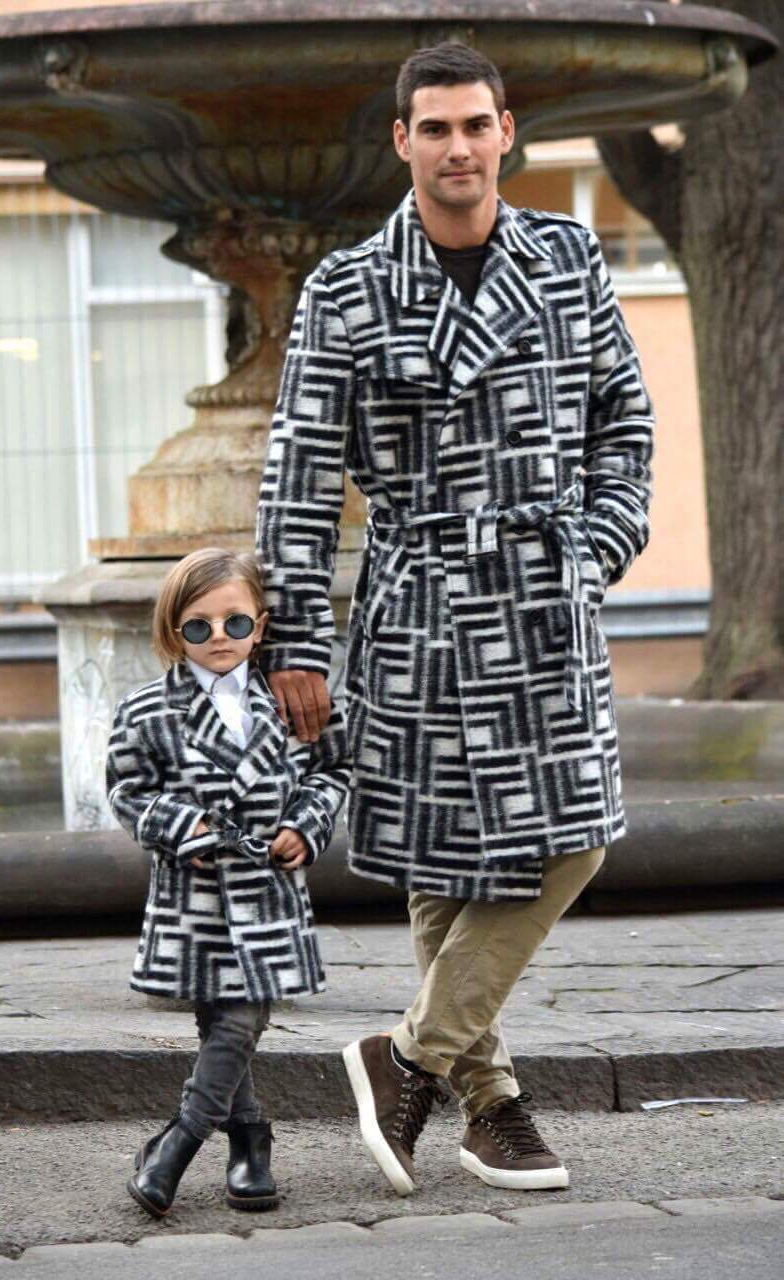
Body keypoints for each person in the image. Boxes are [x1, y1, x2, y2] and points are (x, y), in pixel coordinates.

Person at [255, 40, 654, 1197]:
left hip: (543, 596)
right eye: (434, 127)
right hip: (420, 602)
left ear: (506, 131)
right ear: (403, 141)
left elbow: (623, 422)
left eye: (475, 124)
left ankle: (407, 1055)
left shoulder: (567, 257)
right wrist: (296, 641)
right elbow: (298, 478)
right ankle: (492, 1105)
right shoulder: (344, 287)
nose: (458, 146)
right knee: (445, 860)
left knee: (575, 831)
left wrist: (592, 548)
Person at [105, 547, 350, 1215]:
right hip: (194, 894)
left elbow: (332, 770)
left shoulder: (293, 702)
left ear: (260, 626)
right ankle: (249, 1140)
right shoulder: (146, 710)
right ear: (172, 630)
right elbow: (126, 791)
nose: (219, 637)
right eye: (199, 626)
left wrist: (305, 822)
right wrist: (182, 825)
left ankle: (176, 1145)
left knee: (240, 1020)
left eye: (235, 623)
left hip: (268, 891)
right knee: (221, 1020)